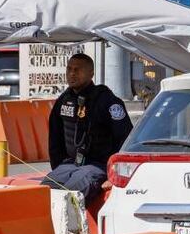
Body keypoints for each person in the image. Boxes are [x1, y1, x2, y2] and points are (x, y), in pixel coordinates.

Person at [41, 53, 132, 203]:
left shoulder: (108, 101)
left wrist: (115, 175)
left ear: (91, 73)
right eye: (69, 69)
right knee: (43, 192)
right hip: (69, 165)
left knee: (70, 195)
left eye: (77, 70)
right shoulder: (63, 100)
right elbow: (55, 141)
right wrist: (58, 167)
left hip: (98, 165)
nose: (72, 73)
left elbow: (125, 139)